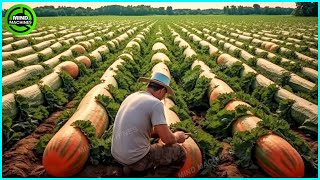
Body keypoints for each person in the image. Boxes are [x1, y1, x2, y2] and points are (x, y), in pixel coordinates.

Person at [111, 72, 187, 177]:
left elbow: (138, 128)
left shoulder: (133, 96)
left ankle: (132, 170)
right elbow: (168, 140)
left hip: (117, 155)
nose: (163, 98)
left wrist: (158, 133)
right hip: (136, 159)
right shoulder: (155, 104)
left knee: (149, 145)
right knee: (180, 153)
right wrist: (178, 136)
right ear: (161, 91)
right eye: (164, 95)